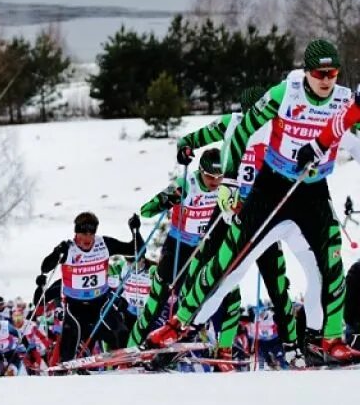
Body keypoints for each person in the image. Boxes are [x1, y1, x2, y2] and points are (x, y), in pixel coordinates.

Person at [149, 39, 359, 363]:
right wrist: (228, 183)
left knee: (328, 264)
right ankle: (183, 322)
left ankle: (324, 338)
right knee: (227, 265)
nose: (327, 79)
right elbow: (236, 132)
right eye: (320, 73)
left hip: (312, 191)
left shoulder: (344, 104)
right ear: (307, 72)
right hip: (269, 191)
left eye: (333, 73)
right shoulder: (280, 97)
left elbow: (354, 138)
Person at [128, 149, 224, 346]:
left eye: (219, 177)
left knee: (193, 300)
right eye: (210, 176)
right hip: (178, 247)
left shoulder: (225, 187)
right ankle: (132, 348)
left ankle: (179, 342)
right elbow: (146, 210)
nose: (215, 182)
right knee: (156, 303)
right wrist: (167, 200)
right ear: (200, 171)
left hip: (203, 250)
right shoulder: (187, 184)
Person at [35, 211, 142, 363]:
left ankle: (125, 366)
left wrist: (135, 231)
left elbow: (135, 249)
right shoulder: (68, 249)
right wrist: (57, 252)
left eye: (91, 233)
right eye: (83, 233)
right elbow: (45, 267)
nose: (87, 237)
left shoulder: (104, 244)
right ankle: (67, 373)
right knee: (68, 346)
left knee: (121, 332)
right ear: (76, 233)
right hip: (75, 307)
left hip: (101, 303)